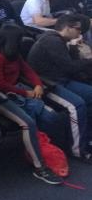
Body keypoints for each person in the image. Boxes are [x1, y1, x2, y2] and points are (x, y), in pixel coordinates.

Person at [0, 25, 65, 183]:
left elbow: (28, 71)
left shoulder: (15, 55)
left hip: (18, 91)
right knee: (28, 123)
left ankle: (47, 150)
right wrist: (24, 93)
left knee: (50, 117)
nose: (21, 42)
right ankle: (40, 167)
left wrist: (38, 85)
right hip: (1, 97)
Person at [28, 15, 92, 160]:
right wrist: (89, 60)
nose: (80, 33)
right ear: (68, 28)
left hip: (62, 80)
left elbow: (69, 66)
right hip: (48, 85)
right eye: (78, 30)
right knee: (77, 106)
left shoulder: (61, 40)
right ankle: (78, 150)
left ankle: (87, 137)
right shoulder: (52, 41)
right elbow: (70, 67)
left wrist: (74, 47)